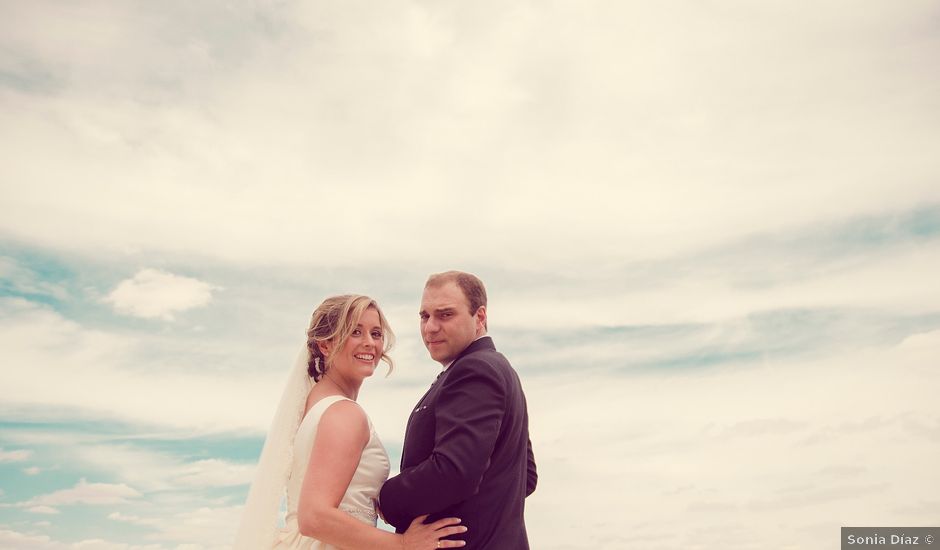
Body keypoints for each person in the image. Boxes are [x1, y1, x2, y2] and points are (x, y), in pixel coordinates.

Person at [234, 294, 467, 550]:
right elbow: (314, 517)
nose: (369, 343)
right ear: (326, 345)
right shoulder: (345, 413)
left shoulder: (313, 404)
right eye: (355, 332)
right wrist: (402, 544)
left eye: (376, 334)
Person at [378, 272, 538, 549]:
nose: (430, 328)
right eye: (424, 316)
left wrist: (385, 498)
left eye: (445, 315)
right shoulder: (498, 369)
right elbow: (526, 475)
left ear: (480, 317)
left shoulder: (474, 371)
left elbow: (454, 472)